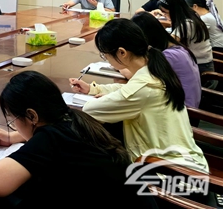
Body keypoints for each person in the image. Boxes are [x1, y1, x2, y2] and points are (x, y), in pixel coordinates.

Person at [0, 71, 153, 208]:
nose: (14, 125)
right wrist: (13, 137)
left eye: (13, 119)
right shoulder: (75, 118)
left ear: (32, 116)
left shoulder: (50, 138)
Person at [69, 19, 207, 172]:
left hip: (169, 173)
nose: (106, 59)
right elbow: (128, 90)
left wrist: (106, 99)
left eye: (105, 55)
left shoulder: (144, 87)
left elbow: (90, 110)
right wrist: (93, 89)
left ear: (122, 53)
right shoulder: (154, 66)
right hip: (184, 160)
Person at [131, 12, 201, 107]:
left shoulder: (169, 56)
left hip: (183, 109)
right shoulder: (176, 48)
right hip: (184, 104)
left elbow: (139, 75)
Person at [156, 0, 213, 75]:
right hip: (198, 63)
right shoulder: (192, 16)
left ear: (174, 11)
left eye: (165, 12)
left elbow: (167, 44)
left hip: (201, 67)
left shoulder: (187, 24)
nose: (164, 15)